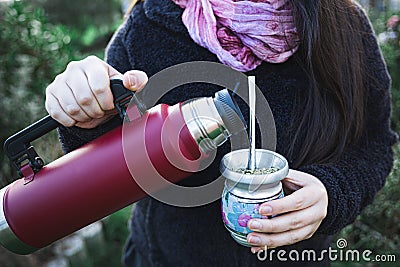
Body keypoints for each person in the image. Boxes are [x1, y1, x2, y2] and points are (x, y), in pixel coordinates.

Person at [45, 0, 398, 266]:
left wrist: (330, 194)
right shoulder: (146, 30)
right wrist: (86, 118)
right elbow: (111, 168)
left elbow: (375, 143)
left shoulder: (343, 27)